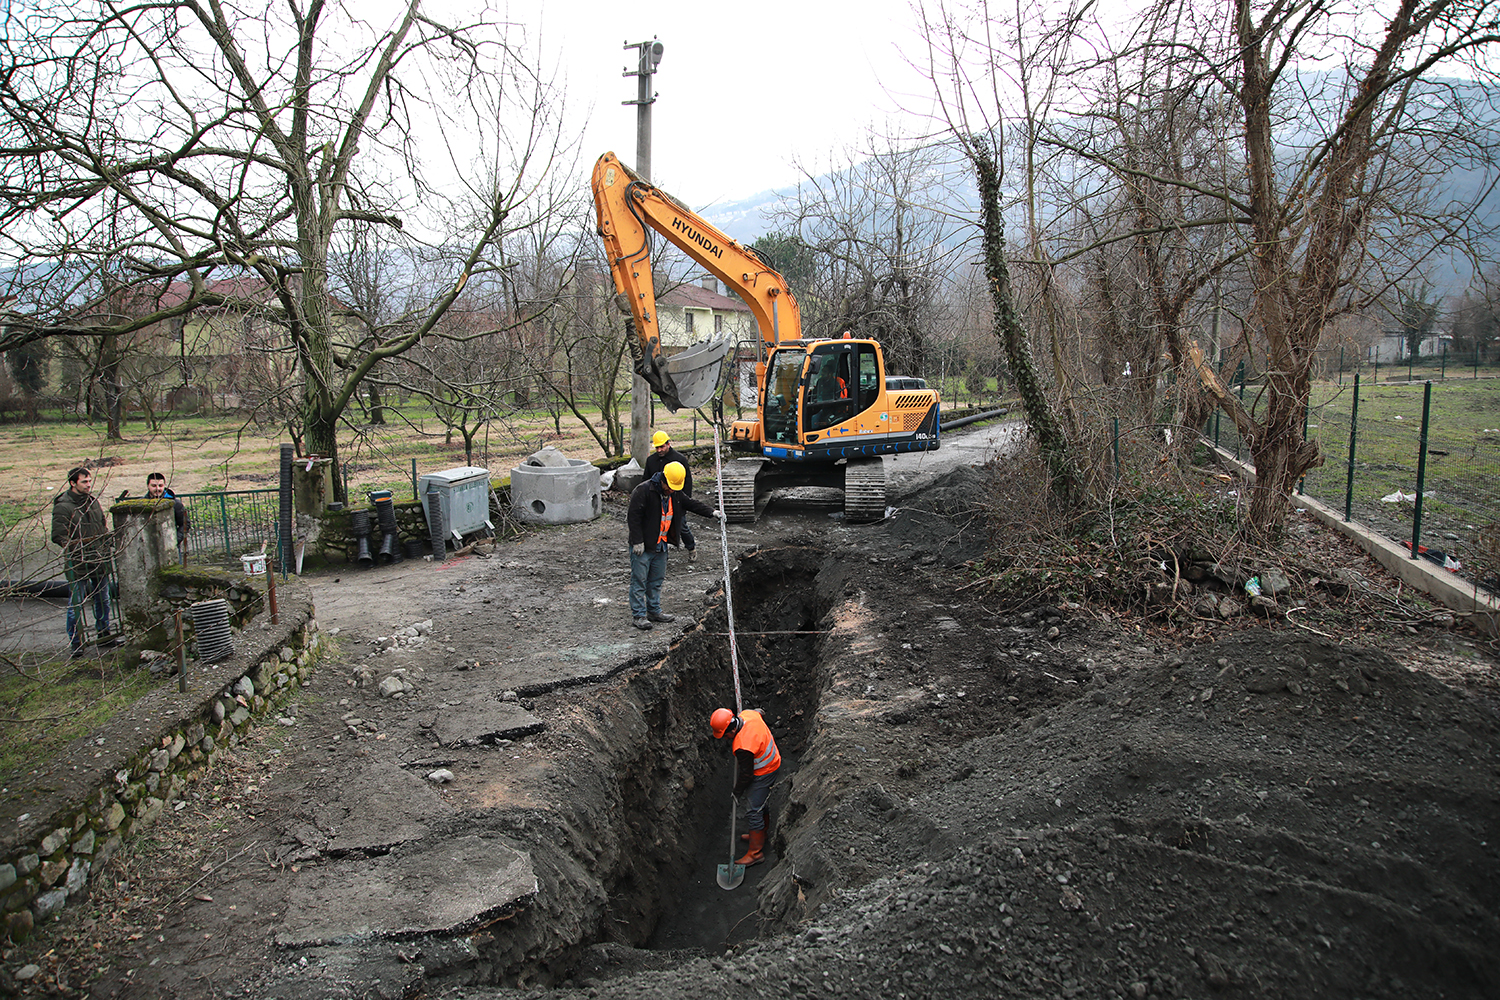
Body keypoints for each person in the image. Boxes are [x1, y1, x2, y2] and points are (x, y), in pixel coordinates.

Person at [627, 460, 722, 631]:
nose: (671, 490)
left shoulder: (674, 493)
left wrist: (712, 512)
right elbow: (633, 517)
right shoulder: (643, 491)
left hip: (661, 545)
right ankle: (639, 615)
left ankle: (654, 611)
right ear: (663, 480)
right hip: (644, 546)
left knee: (656, 581)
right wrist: (637, 541)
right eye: (669, 487)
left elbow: (691, 504)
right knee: (639, 581)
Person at [50, 466, 119, 657]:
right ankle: (76, 642)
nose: (89, 485)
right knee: (76, 604)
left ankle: (104, 634)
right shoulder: (63, 506)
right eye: (84, 482)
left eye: (89, 481)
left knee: (104, 600)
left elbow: (102, 526)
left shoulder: (92, 502)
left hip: (99, 559)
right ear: (73, 483)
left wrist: (105, 543)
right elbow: (58, 535)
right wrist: (77, 548)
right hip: (78, 563)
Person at [710, 706, 782, 867]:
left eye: (726, 735)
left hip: (765, 771)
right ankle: (760, 833)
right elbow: (760, 712)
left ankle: (755, 853)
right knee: (760, 801)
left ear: (731, 730)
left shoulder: (743, 746)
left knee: (754, 809)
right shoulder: (748, 714)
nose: (726, 739)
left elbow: (747, 775)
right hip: (773, 759)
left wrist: (737, 791)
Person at [642, 430, 700, 567]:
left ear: (668, 444)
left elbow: (687, 483)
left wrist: (684, 503)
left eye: (662, 447)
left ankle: (691, 547)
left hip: (676, 500)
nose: (659, 450)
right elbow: (645, 480)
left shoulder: (680, 459)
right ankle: (661, 555)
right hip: (657, 501)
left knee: (681, 526)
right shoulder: (651, 461)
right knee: (658, 527)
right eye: (657, 447)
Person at [146, 472, 189, 565]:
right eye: (153, 486)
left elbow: (185, 524)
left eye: (160, 485)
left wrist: (175, 540)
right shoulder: (143, 504)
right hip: (149, 549)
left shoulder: (175, 504)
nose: (157, 489)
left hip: (171, 548)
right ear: (148, 486)